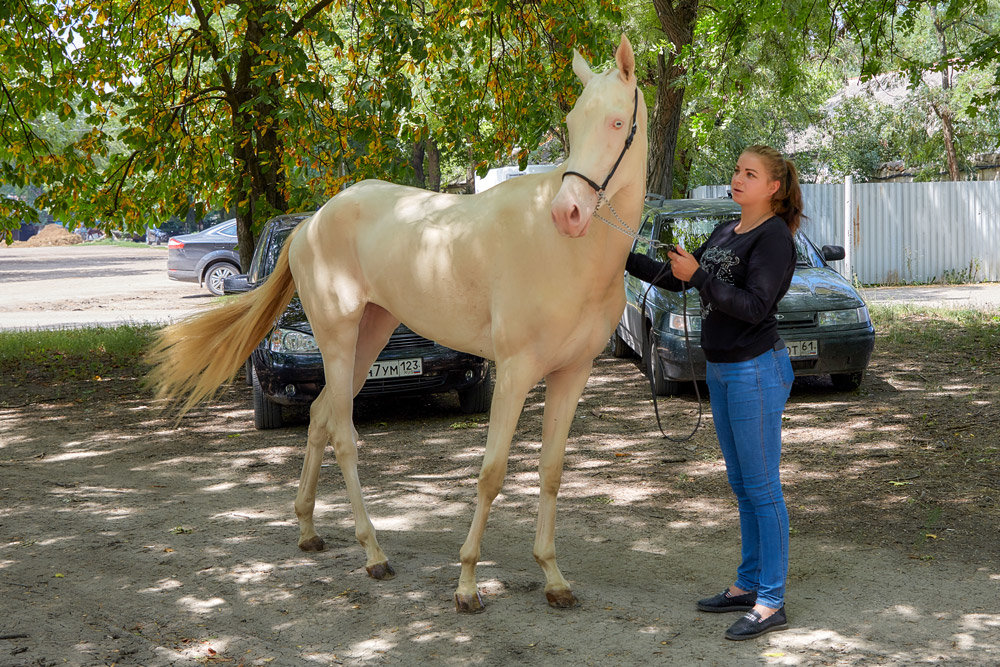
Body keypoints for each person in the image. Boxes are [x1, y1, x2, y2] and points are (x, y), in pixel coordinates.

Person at [626, 144, 803, 640]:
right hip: (724, 371)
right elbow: (677, 280)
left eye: (751, 173)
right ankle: (748, 585)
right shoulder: (728, 230)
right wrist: (621, 254)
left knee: (764, 486)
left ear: (774, 187)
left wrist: (699, 275)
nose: (738, 178)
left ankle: (771, 601)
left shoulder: (774, 240)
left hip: (756, 371)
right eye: (736, 170)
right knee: (744, 486)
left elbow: (753, 306)